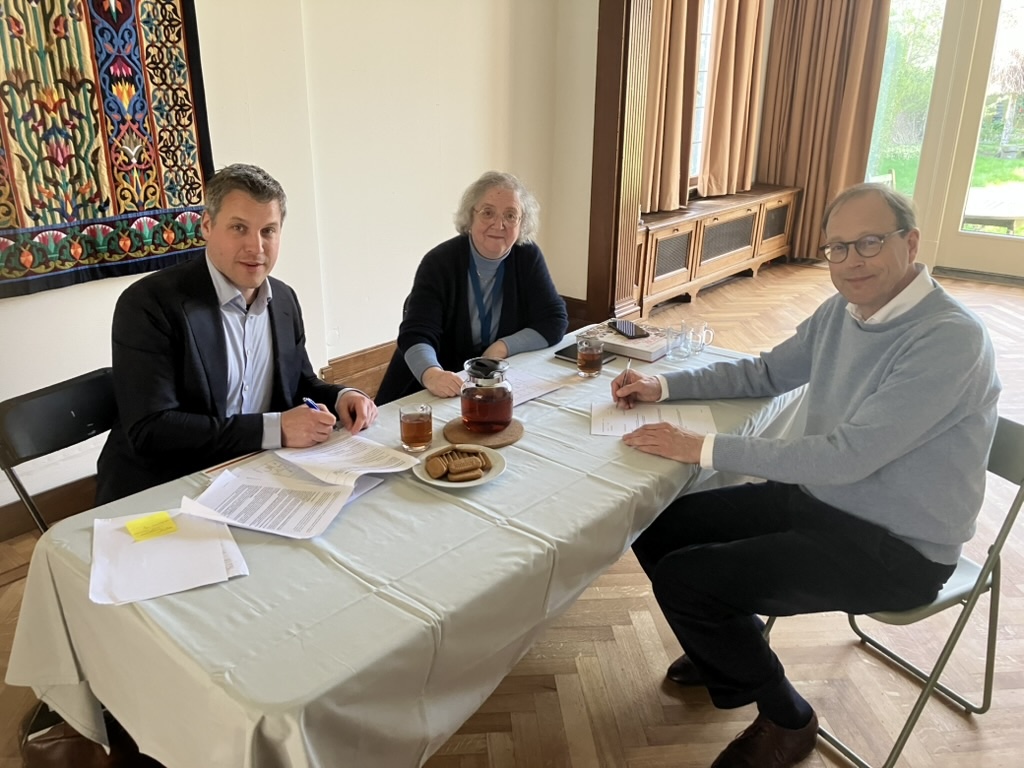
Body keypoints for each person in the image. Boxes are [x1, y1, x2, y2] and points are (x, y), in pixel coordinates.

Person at [609, 183, 1001, 767]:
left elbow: (845, 456)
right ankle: (726, 644)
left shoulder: (948, 339)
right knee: (658, 525)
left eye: (869, 242)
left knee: (690, 581)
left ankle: (788, 720)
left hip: (897, 549)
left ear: (911, 242)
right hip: (824, 503)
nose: (851, 261)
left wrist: (703, 448)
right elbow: (767, 372)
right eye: (837, 248)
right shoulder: (845, 311)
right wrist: (662, 386)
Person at [96, 164, 377, 503]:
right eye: (239, 228)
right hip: (167, 485)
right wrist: (275, 429)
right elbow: (152, 430)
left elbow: (299, 383)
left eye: (268, 231)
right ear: (207, 226)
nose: (256, 247)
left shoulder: (283, 300)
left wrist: (341, 396)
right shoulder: (149, 304)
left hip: (254, 473)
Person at [375, 171, 568, 405]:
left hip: (488, 385)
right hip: (428, 388)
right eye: (488, 213)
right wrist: (431, 373)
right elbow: (416, 333)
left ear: (522, 223)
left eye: (511, 215)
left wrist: (501, 347)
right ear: (471, 216)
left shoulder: (527, 256)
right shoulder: (439, 262)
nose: (499, 224)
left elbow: (554, 319)